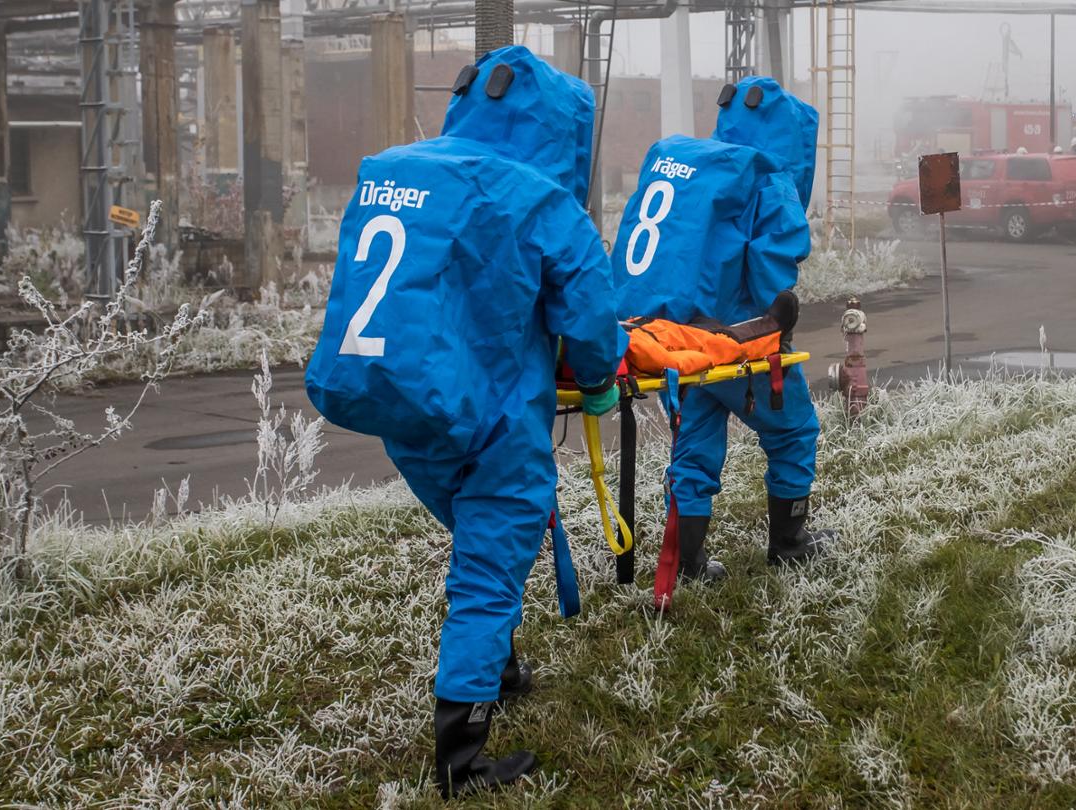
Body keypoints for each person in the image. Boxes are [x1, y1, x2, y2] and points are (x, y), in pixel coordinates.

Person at [304, 45, 624, 799]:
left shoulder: (397, 168)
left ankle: (499, 664)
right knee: (489, 561)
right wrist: (602, 384)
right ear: (558, 127)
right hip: (492, 412)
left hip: (407, 407)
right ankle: (463, 753)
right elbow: (590, 321)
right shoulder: (541, 198)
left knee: (486, 546)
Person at [611, 76, 836, 585]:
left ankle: (687, 564)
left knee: (693, 446)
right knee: (795, 431)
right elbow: (772, 276)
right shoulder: (766, 175)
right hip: (733, 342)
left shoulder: (691, 163)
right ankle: (790, 543)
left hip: (669, 340)